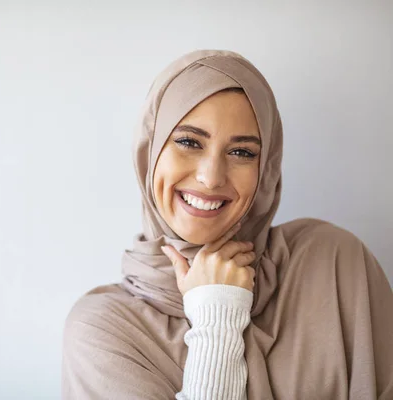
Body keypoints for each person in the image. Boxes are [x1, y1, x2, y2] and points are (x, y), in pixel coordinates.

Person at [61, 49, 393, 399]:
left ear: (265, 170)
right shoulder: (102, 330)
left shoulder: (333, 265)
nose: (210, 177)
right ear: (150, 151)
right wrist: (218, 315)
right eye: (189, 142)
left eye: (242, 152)